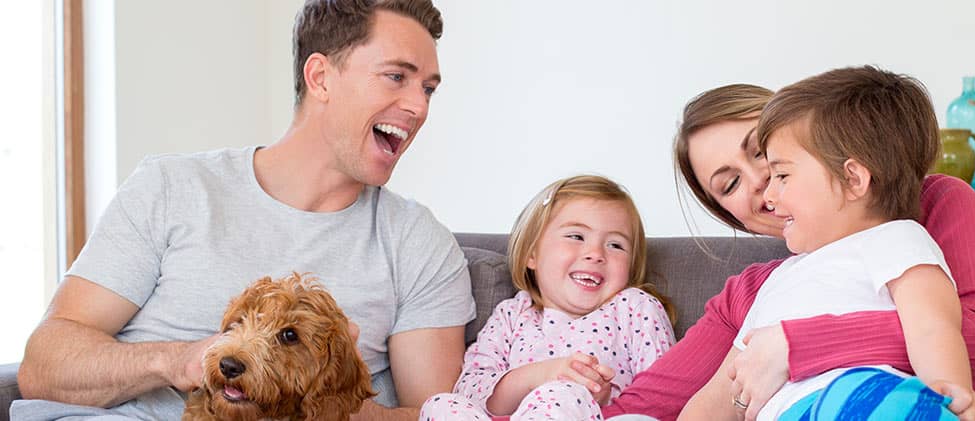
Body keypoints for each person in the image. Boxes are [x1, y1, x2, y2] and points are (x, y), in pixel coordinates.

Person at [14, 1, 468, 419]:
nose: (419, 106)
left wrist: (320, 399)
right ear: (320, 77)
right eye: (396, 77)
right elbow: (42, 366)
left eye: (428, 89)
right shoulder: (171, 187)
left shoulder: (417, 244)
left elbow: (441, 415)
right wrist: (180, 360)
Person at [600, 79, 975, 420]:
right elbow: (654, 406)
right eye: (729, 184)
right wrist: (564, 387)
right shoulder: (760, 290)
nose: (760, 181)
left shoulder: (925, 208)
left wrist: (795, 346)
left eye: (766, 155)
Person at [679, 65, 967, 419]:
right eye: (730, 184)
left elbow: (931, 326)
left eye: (782, 175)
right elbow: (723, 392)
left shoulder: (896, 238)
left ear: (853, 179)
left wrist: (953, 395)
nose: (767, 191)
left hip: (860, 399)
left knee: (870, 398)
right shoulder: (776, 281)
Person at [420, 175, 676, 421]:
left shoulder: (636, 307)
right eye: (576, 236)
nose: (596, 254)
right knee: (441, 404)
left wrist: (601, 399)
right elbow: (471, 390)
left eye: (616, 245)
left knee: (562, 394)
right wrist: (539, 375)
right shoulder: (513, 314)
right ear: (532, 254)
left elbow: (665, 396)